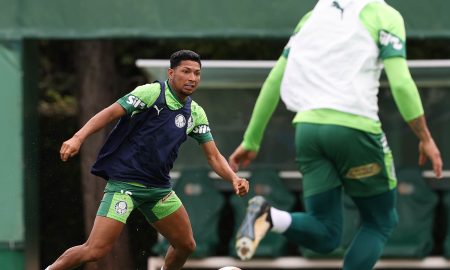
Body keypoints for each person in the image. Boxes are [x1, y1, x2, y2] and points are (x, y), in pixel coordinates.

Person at [229, 0, 443, 269]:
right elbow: (401, 83)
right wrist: (425, 137)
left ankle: (269, 216)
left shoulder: (310, 18)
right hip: (355, 129)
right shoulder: (384, 14)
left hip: (308, 131)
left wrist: (252, 140)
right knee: (380, 221)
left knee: (326, 234)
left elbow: (274, 79)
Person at [46, 49, 249, 270]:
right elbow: (110, 113)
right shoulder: (151, 93)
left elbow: (213, 156)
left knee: (185, 245)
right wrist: (77, 137)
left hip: (159, 191)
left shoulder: (195, 113)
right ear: (171, 73)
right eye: (186, 71)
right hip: (125, 186)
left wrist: (233, 178)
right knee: (95, 250)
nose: (192, 78)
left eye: (197, 73)